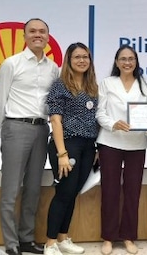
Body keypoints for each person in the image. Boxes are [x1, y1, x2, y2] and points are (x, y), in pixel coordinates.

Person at [0, 17, 60, 255]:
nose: (37, 35)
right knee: (10, 192)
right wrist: (5, 135)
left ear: (47, 36)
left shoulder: (53, 68)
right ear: (24, 36)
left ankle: (26, 240)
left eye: (42, 31)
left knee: (33, 189)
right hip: (16, 128)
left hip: (42, 129)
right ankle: (11, 246)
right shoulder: (11, 63)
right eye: (32, 31)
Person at [41, 43, 99, 255]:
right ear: (69, 60)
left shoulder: (92, 86)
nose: (82, 60)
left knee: (73, 193)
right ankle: (50, 243)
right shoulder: (60, 85)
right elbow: (55, 121)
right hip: (66, 144)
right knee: (63, 194)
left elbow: (96, 118)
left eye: (85, 57)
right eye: (77, 57)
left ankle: (63, 238)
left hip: (88, 146)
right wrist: (62, 154)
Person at [95, 45, 147, 255]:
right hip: (110, 141)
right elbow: (100, 113)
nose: (127, 62)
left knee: (132, 191)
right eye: (123, 59)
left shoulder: (144, 84)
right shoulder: (107, 83)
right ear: (117, 62)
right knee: (110, 190)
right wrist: (113, 124)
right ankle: (108, 237)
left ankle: (128, 236)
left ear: (136, 62)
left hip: (137, 143)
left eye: (131, 59)